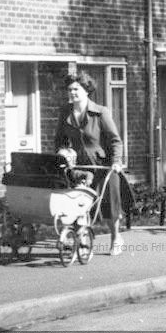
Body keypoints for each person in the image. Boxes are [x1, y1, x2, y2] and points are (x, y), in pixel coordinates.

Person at [55, 73, 125, 255]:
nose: (72, 92)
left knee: (110, 205)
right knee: (77, 204)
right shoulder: (65, 112)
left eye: (76, 89)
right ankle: (83, 241)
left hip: (103, 165)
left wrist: (116, 162)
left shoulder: (101, 112)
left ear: (86, 91)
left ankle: (116, 237)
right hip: (79, 167)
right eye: (69, 89)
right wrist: (63, 153)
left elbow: (116, 141)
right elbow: (59, 140)